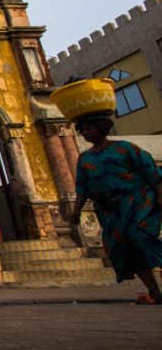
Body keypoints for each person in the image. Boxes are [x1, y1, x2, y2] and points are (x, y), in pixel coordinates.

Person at [69, 114, 162, 304]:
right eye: (83, 130)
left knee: (140, 237)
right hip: (109, 210)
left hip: (137, 202)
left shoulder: (124, 149)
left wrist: (160, 195)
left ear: (101, 128)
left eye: (90, 129)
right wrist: (76, 210)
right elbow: (82, 187)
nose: (86, 133)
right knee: (122, 247)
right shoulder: (85, 159)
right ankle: (154, 292)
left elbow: (151, 171)